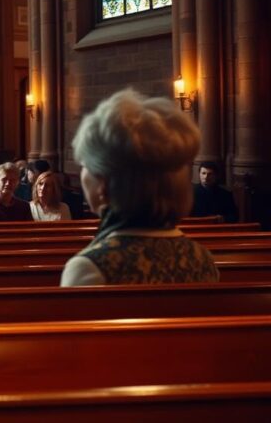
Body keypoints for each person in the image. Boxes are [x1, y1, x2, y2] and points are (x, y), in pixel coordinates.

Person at [61, 89, 219, 286]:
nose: (82, 173)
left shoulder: (89, 269)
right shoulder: (203, 259)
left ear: (103, 183)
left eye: (85, 165)